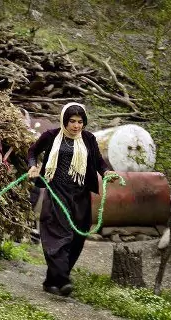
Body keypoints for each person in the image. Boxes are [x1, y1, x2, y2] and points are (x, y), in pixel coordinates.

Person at [27, 102, 118, 296]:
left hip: (80, 194)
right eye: (72, 121)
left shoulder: (88, 139)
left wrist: (107, 172)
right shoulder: (50, 136)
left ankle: (52, 281)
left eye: (80, 122)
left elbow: (98, 162)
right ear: (64, 121)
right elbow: (33, 151)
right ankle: (63, 279)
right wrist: (33, 166)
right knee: (59, 235)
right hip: (57, 192)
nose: (76, 126)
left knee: (78, 236)